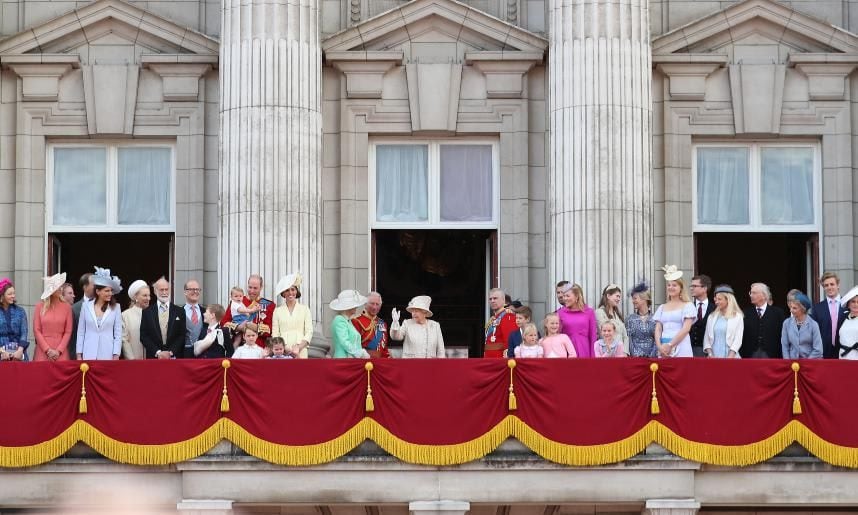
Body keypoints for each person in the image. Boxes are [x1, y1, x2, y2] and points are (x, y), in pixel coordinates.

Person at [76, 267, 122, 360]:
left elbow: (118, 333)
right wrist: (79, 354)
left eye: (111, 291)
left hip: (108, 353)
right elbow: (81, 332)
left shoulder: (116, 307)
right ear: (98, 291)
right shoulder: (86, 306)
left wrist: (116, 354)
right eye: (107, 291)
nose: (110, 293)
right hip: (88, 353)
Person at [653, 265, 695, 358]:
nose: (671, 287)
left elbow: (686, 329)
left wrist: (670, 345)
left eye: (674, 285)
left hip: (681, 346)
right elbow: (658, 329)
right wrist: (659, 346)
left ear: (681, 288)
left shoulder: (688, 306)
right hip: (664, 348)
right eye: (669, 285)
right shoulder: (662, 307)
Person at [140, 277, 187, 359]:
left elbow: (182, 335)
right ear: (155, 291)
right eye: (161, 290)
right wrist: (158, 352)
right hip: (154, 358)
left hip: (174, 358)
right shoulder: (147, 312)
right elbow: (144, 336)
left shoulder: (180, 311)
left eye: (166, 289)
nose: (164, 292)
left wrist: (171, 352)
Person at [220, 275, 275, 342]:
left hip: (259, 347)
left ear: (261, 287)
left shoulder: (269, 305)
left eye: (255, 288)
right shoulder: (236, 302)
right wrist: (238, 327)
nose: (252, 291)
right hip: (240, 346)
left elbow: (272, 329)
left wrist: (257, 327)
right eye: (250, 287)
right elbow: (224, 323)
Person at [271, 273, 313, 359]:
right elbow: (275, 333)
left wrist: (299, 347)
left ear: (296, 291)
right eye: (287, 290)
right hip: (282, 351)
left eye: (293, 289)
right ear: (283, 293)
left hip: (301, 349)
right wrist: (284, 348)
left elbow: (309, 331)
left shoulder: (305, 309)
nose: (290, 292)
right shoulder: (277, 311)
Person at [33, 272, 73, 362]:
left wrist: (59, 351)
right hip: (42, 352)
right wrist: (47, 350)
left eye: (60, 286)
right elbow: (37, 330)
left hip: (61, 352)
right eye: (57, 287)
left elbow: (68, 331)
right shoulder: (39, 306)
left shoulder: (67, 307)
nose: (60, 289)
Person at [741, 283, 785, 358]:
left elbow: (782, 336)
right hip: (750, 355)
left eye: (754, 293)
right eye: (750, 293)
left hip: (772, 355)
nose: (751, 295)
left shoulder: (778, 313)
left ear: (764, 295)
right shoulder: (745, 313)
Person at [810, 272, 846, 359]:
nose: (829, 287)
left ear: (838, 285)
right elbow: (813, 332)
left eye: (832, 284)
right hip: (823, 353)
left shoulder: (847, 305)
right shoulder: (817, 308)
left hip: (844, 351)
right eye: (826, 285)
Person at [557, 283, 597, 358]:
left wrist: (593, 357)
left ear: (576, 297)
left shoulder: (589, 312)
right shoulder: (560, 313)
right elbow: (557, 336)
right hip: (567, 351)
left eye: (567, 296)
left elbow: (593, 336)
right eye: (564, 296)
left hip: (585, 350)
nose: (565, 298)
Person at [703, 285, 744, 359]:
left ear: (728, 300)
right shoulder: (711, 316)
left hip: (731, 357)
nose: (716, 302)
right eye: (716, 300)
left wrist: (730, 357)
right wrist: (710, 354)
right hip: (713, 357)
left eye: (719, 299)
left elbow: (738, 340)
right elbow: (706, 339)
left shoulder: (737, 316)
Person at [329, 290, 370, 359]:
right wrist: (360, 353)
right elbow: (344, 342)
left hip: (351, 361)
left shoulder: (348, 321)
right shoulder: (339, 320)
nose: (356, 307)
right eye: (354, 304)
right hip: (342, 360)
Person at [781, 292, 823, 359]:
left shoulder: (813, 325)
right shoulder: (786, 323)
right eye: (791, 307)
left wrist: (805, 363)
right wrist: (788, 362)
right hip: (792, 363)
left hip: (810, 363)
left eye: (794, 308)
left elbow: (818, 350)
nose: (791, 310)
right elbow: (785, 346)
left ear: (803, 309)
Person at [352, 291, 390, 359]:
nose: (374, 307)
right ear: (365, 304)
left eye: (377, 304)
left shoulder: (382, 324)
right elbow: (354, 347)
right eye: (372, 304)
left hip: (381, 362)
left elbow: (384, 348)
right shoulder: (356, 321)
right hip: (364, 362)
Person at [595, 284, 628, 355]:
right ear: (608, 296)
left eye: (619, 297)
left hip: (621, 353)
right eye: (617, 296)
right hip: (608, 352)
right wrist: (612, 350)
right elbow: (604, 334)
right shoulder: (599, 312)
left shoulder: (617, 315)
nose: (619, 299)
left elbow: (625, 336)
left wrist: (625, 352)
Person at [484, 288, 517, 358]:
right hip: (490, 359)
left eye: (495, 298)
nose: (492, 301)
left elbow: (510, 340)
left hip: (500, 360)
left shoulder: (508, 316)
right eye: (490, 299)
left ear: (503, 300)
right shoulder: (494, 318)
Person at [121, 280, 151, 360]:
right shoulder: (125, 315)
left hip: (152, 361)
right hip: (134, 361)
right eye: (144, 295)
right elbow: (124, 340)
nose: (148, 298)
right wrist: (132, 360)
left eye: (149, 295)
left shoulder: (153, 313)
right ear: (135, 297)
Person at [0, 278, 28, 361]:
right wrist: (2, 352)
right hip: (2, 353)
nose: (13, 296)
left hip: (18, 353)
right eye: (9, 294)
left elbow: (24, 332)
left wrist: (20, 350)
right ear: (2, 295)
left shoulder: (20, 311)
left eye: (14, 293)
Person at [627, 281, 657, 358]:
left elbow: (657, 340)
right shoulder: (630, 319)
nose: (633, 301)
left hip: (652, 360)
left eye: (635, 298)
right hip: (635, 359)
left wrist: (651, 356)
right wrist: (636, 355)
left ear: (644, 299)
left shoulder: (655, 318)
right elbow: (629, 340)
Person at [70, 273, 95, 360]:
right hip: (80, 358)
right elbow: (72, 337)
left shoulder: (105, 306)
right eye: (94, 284)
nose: (97, 287)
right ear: (85, 287)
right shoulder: (74, 309)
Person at [689, 274, 714, 357]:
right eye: (691, 286)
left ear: (704, 288)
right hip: (689, 351)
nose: (691, 288)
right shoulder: (688, 307)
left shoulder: (715, 309)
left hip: (710, 352)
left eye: (695, 286)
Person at [183, 279, 205, 359]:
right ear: (185, 292)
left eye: (197, 289)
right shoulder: (178, 312)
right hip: (184, 356)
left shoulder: (206, 312)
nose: (195, 291)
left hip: (203, 356)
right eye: (192, 289)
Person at [837, 286, 858, 359]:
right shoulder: (842, 318)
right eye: (853, 301)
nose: (856, 304)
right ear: (848, 304)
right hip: (843, 357)